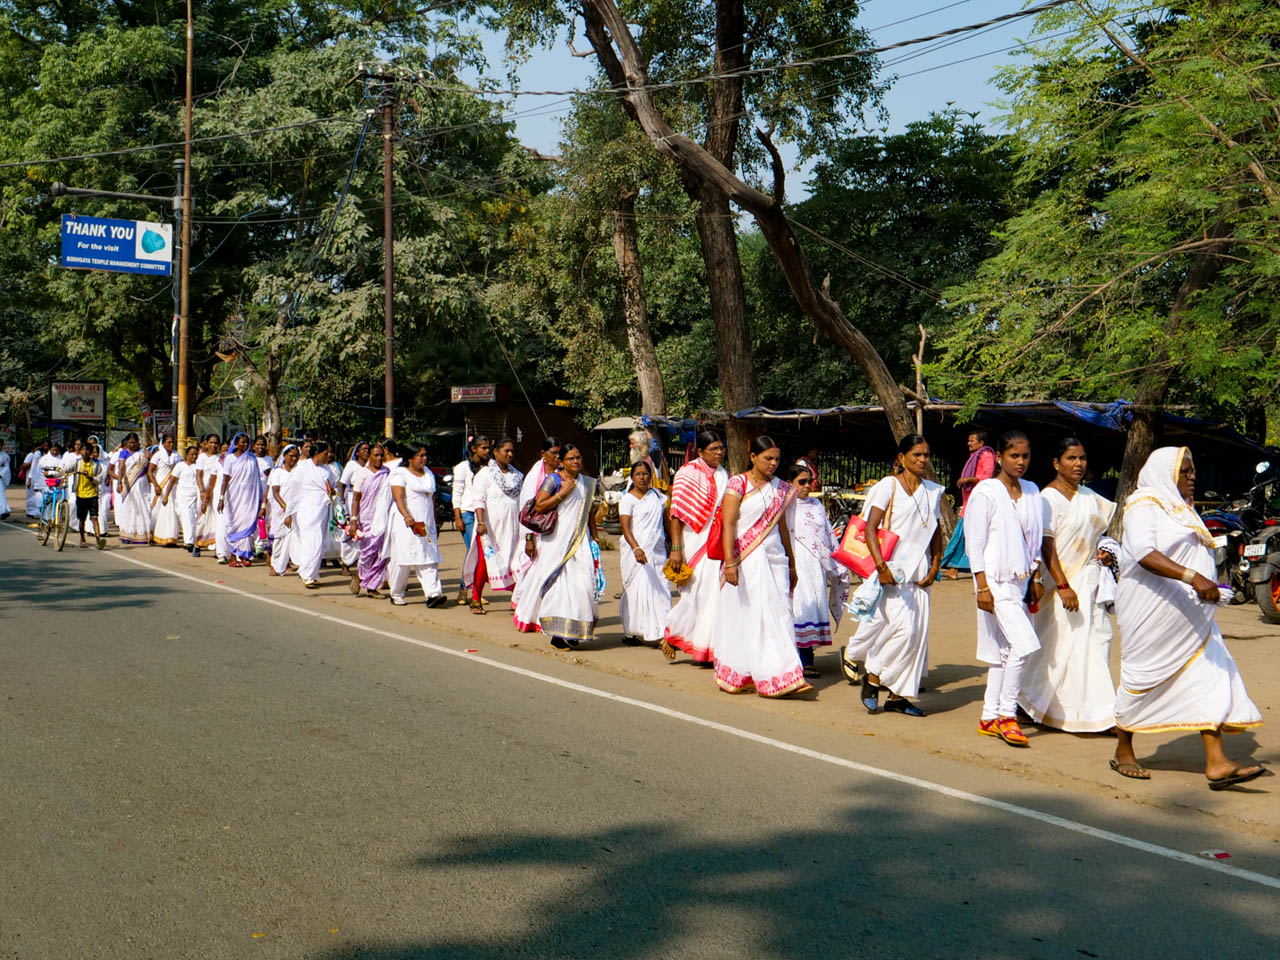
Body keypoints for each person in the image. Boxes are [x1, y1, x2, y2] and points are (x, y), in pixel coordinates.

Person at [1110, 447, 1263, 788]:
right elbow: (1143, 553)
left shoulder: (1184, 509)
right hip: (1150, 611)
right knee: (1140, 680)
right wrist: (1193, 577)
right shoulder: (1143, 503)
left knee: (1209, 676)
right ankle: (1123, 750)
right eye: (1185, 471)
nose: (1192, 477)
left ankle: (1217, 762)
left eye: (1193, 471)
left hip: (1191, 614)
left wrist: (1208, 584)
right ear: (1166, 473)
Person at [1019, 438, 1119, 733]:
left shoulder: (1090, 497)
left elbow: (1096, 535)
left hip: (1088, 580)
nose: (1078, 464)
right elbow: (1045, 545)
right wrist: (1063, 586)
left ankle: (1094, 712)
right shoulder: (1047, 498)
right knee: (1057, 647)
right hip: (1059, 584)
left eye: (1082, 458)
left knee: (1095, 640)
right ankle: (1030, 701)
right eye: (1072, 458)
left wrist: (1103, 550)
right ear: (1056, 463)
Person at [841, 435, 943, 716]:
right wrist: (881, 567)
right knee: (903, 631)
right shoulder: (889, 486)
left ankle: (899, 697)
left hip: (919, 574)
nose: (923, 460)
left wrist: (935, 564)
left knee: (917, 638)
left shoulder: (932, 491)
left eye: (926, 455)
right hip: (892, 572)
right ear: (902, 458)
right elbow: (870, 528)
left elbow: (935, 530)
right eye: (917, 455)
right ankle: (872, 676)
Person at [712, 435, 810, 698]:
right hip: (746, 558)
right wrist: (730, 561)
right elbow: (729, 524)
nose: (773, 464)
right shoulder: (738, 483)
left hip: (775, 558)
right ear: (752, 457)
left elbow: (784, 528)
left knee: (779, 613)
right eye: (768, 458)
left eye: (777, 459)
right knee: (752, 614)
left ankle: (781, 674)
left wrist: (792, 564)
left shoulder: (781, 488)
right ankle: (751, 671)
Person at [965, 431, 1044, 747]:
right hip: (994, 582)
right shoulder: (986, 492)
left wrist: (1035, 578)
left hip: (1020, 580)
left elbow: (1035, 540)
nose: (1021, 461)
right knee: (1023, 645)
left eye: (1025, 456)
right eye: (1014, 455)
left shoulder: (1032, 491)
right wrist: (981, 586)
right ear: (998, 456)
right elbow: (976, 542)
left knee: (1003, 652)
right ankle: (1007, 716)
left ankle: (988, 716)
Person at [511, 443, 600, 647]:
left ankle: (574, 630)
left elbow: (589, 512)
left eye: (578, 457)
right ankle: (558, 635)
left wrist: (594, 537)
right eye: (571, 458)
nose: (576, 461)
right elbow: (540, 506)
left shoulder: (586, 482)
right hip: (556, 541)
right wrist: (563, 493)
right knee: (559, 587)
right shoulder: (555, 480)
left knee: (583, 585)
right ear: (562, 461)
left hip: (580, 541)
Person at [663, 430, 729, 664]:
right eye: (714, 449)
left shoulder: (724, 475)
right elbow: (676, 515)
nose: (719, 453)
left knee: (714, 594)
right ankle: (673, 632)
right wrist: (676, 548)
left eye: (721, 448)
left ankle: (708, 647)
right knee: (695, 593)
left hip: (717, 541)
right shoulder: (686, 474)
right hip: (693, 541)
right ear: (700, 452)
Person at [784, 463, 849, 678]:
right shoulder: (784, 506)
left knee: (813, 605)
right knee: (798, 608)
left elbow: (828, 535)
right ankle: (800, 660)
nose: (806, 486)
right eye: (801, 482)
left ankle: (806, 657)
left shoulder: (817, 506)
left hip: (815, 565)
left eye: (809, 482)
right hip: (794, 562)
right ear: (789, 483)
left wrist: (837, 561)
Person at [462, 437, 525, 613]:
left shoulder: (517, 476)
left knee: (513, 563)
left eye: (512, 451)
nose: (510, 454)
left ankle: (520, 598)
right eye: (506, 451)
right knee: (485, 561)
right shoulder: (485, 474)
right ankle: (475, 599)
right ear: (496, 452)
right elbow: (479, 501)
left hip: (512, 529)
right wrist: (481, 522)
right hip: (489, 528)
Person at [618, 461, 671, 646]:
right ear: (632, 477)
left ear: (651, 476)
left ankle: (660, 631)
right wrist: (636, 548)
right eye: (638, 474)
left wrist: (676, 549)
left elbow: (667, 524)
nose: (642, 477)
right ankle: (632, 631)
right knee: (636, 590)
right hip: (635, 553)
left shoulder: (658, 498)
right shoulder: (627, 499)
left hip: (657, 551)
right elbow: (625, 527)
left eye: (645, 474)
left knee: (660, 588)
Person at [387, 442, 446, 607]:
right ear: (410, 458)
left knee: (428, 558)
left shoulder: (428, 473)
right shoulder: (400, 474)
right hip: (408, 523)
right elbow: (398, 498)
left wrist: (435, 521)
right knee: (404, 559)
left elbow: (431, 499)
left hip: (426, 524)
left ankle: (433, 594)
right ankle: (397, 593)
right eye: (420, 455)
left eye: (425, 455)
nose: (424, 459)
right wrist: (407, 516)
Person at [942, 428, 997, 579]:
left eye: (972, 440)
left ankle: (954, 567)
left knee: (965, 535)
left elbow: (986, 477)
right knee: (963, 534)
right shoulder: (974, 456)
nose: (969, 443)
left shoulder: (986, 456)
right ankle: (954, 567)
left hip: (978, 504)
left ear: (981, 443)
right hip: (969, 504)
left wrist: (968, 479)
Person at [283, 442, 334, 588]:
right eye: (326, 454)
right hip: (307, 510)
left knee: (318, 542)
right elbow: (293, 493)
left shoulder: (327, 470)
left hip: (322, 511)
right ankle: (307, 575)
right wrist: (289, 513)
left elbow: (331, 487)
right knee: (310, 541)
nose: (328, 456)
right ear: (317, 454)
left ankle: (311, 572)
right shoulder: (302, 469)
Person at [452, 436, 492, 603]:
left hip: (484, 514)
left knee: (481, 554)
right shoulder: (463, 467)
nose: (487, 451)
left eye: (488, 448)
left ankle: (467, 589)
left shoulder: (490, 467)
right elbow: (457, 491)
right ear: (474, 449)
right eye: (483, 448)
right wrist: (458, 517)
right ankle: (470, 589)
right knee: (473, 552)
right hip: (468, 513)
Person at [516, 437, 562, 579]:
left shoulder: (562, 472)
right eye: (553, 453)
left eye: (560, 453)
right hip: (538, 530)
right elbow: (527, 509)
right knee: (534, 574)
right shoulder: (534, 476)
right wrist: (529, 538)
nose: (557, 457)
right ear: (543, 454)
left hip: (558, 529)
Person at [350, 443, 392, 597]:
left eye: (382, 455)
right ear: (370, 456)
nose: (379, 458)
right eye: (376, 455)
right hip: (367, 519)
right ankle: (360, 575)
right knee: (367, 553)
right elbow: (356, 499)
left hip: (384, 518)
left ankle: (372, 587)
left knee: (382, 553)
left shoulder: (387, 473)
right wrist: (353, 520)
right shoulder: (362, 474)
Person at [217, 433, 262, 567]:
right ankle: (233, 557)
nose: (245, 445)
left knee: (248, 524)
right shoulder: (230, 459)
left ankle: (245, 556)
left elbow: (257, 480)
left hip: (250, 498)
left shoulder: (252, 458)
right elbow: (225, 479)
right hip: (234, 497)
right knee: (234, 525)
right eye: (242, 442)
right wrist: (221, 498)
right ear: (236, 444)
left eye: (247, 442)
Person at [337, 441, 370, 576]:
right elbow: (342, 483)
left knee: (364, 532)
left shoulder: (370, 466)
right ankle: (345, 562)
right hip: (352, 500)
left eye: (368, 449)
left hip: (366, 501)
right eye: (363, 449)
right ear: (357, 452)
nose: (366, 452)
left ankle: (362, 563)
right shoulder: (352, 465)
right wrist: (342, 501)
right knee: (351, 531)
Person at [268, 444, 300, 577]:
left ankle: (296, 564)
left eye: (296, 456)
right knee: (280, 538)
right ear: (284, 456)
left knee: (295, 538)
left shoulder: (299, 471)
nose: (293, 459)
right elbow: (275, 492)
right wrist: (285, 507)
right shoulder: (277, 472)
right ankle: (276, 565)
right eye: (291, 456)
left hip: (296, 510)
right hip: (281, 510)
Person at [115, 434, 153, 544]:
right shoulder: (124, 453)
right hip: (129, 484)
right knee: (129, 507)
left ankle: (143, 534)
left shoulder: (143, 452)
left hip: (142, 484)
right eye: (130, 442)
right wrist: (119, 482)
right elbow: (121, 467)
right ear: (127, 443)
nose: (132, 445)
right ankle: (128, 534)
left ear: (138, 443)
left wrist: (148, 456)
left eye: (134, 442)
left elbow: (150, 464)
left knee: (144, 507)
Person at [72, 441, 107, 549]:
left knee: (94, 517)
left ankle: (98, 539)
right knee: (82, 519)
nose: (85, 452)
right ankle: (82, 538)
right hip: (80, 494)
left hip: (92, 494)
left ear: (91, 452)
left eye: (88, 450)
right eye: (83, 449)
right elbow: (65, 470)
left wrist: (91, 478)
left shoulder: (96, 464)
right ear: (80, 451)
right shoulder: (77, 463)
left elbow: (100, 479)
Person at [148, 435, 182, 546]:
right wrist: (156, 485)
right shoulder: (157, 456)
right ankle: (152, 534)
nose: (171, 444)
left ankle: (169, 536)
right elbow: (150, 471)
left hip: (172, 488)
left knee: (170, 511)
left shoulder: (177, 456)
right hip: (159, 488)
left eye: (173, 442)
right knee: (156, 511)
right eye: (168, 442)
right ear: (163, 444)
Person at [192, 433, 222, 557]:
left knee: (216, 519)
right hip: (204, 491)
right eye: (211, 442)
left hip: (216, 491)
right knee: (202, 518)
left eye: (216, 443)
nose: (213, 445)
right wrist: (202, 491)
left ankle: (216, 546)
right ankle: (197, 544)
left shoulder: (221, 458)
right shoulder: (202, 457)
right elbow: (199, 475)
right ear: (206, 443)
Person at [170, 445, 201, 551]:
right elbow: (172, 481)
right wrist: (166, 495)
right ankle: (188, 542)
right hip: (183, 496)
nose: (194, 457)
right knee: (187, 518)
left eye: (196, 454)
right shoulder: (180, 466)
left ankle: (194, 540)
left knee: (195, 519)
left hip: (196, 495)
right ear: (187, 455)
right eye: (192, 454)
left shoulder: (198, 466)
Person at [24, 439, 50, 519]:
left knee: (44, 496)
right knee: (32, 494)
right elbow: (33, 467)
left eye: (47, 445)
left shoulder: (50, 454)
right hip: (35, 476)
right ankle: (31, 512)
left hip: (45, 477)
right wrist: (30, 479)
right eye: (44, 445)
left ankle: (42, 513)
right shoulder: (37, 454)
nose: (46, 447)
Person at [0, 438, 11, 520]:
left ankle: (3, 511)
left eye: (1, 445)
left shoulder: (5, 456)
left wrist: (1, 474)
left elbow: (6, 467)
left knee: (1, 494)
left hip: (1, 477)